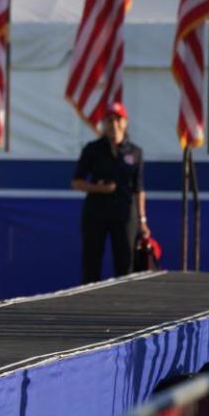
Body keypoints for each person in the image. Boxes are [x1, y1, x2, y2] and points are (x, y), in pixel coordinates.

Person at [71, 102, 151, 284]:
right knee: (91, 262)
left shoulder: (135, 152)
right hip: (96, 212)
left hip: (124, 214)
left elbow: (139, 188)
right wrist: (99, 188)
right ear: (103, 123)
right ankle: (89, 303)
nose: (114, 124)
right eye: (109, 120)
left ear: (125, 122)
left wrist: (142, 220)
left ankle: (123, 304)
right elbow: (76, 182)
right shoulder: (93, 149)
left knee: (125, 263)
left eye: (118, 119)